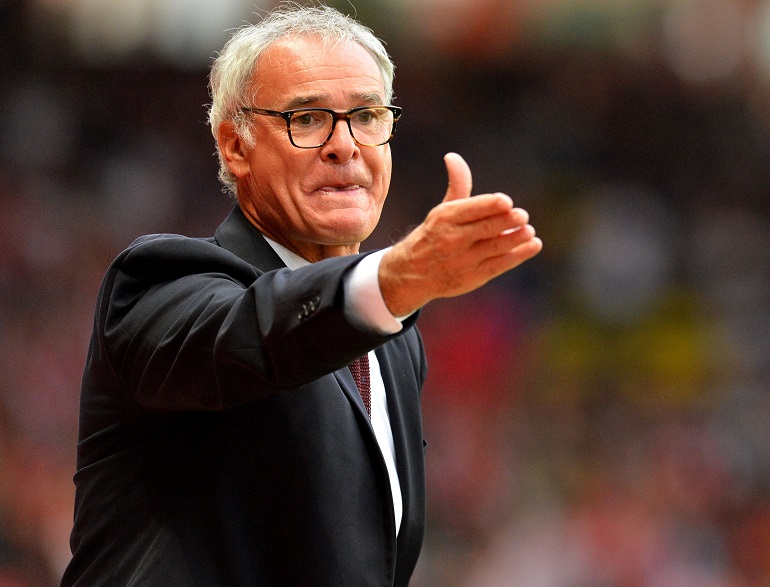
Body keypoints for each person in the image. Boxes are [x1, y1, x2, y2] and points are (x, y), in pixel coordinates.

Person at [61, 4, 542, 586]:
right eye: (308, 118)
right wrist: (393, 278)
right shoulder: (157, 283)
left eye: (367, 116)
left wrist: (391, 288)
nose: (345, 145)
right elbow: (260, 332)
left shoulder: (393, 345)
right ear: (235, 145)